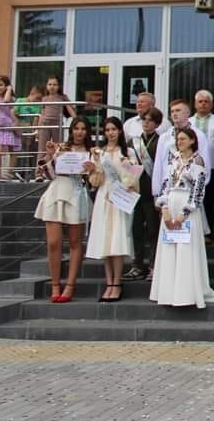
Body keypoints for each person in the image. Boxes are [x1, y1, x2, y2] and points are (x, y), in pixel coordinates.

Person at [150, 127, 214, 309]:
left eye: (184, 139)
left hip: (187, 209)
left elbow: (198, 191)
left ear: (192, 141)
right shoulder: (173, 160)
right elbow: (165, 184)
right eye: (178, 139)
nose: (180, 142)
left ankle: (186, 293)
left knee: (187, 250)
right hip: (170, 205)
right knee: (170, 249)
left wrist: (182, 214)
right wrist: (164, 208)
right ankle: (168, 292)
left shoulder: (198, 161)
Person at [35, 116, 93, 303]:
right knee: (53, 242)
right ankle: (55, 284)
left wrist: (92, 170)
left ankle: (70, 284)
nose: (79, 132)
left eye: (83, 128)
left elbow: (93, 183)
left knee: (75, 242)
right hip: (57, 192)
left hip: (76, 194)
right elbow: (49, 174)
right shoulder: (62, 148)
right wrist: (50, 156)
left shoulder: (92, 152)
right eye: (76, 128)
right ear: (71, 130)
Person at [85, 117, 139, 302]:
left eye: (114, 129)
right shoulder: (99, 152)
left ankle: (117, 283)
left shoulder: (128, 151)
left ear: (120, 131)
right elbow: (95, 182)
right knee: (105, 243)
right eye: (107, 129)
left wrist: (126, 170)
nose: (110, 133)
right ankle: (109, 282)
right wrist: (94, 167)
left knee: (117, 240)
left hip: (121, 198)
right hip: (104, 197)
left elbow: (134, 179)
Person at [126, 108, 163, 281]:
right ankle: (137, 264)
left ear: (157, 123)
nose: (146, 123)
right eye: (144, 120)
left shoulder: (161, 141)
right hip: (136, 190)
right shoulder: (133, 142)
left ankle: (154, 265)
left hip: (152, 191)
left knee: (153, 230)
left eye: (150, 120)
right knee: (136, 230)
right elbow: (126, 165)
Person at [151, 100, 210, 203]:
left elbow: (205, 165)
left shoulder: (199, 136)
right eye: (172, 111)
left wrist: (196, 193)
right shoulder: (164, 137)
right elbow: (158, 166)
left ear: (187, 113)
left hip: (189, 191)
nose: (174, 113)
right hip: (167, 190)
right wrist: (157, 192)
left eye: (178, 110)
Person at [191, 90, 214, 243]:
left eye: (206, 102)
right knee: (193, 199)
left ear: (211, 104)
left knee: (208, 200)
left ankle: (208, 232)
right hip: (190, 167)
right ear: (195, 104)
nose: (203, 104)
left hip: (211, 164)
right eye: (200, 101)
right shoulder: (189, 122)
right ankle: (194, 231)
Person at [36, 76, 76, 176]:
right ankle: (39, 173)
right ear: (46, 86)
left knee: (58, 147)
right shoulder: (44, 98)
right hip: (45, 124)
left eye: (55, 84)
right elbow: (42, 113)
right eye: (50, 84)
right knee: (42, 148)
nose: (52, 87)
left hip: (57, 125)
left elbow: (70, 109)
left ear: (58, 86)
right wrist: (38, 129)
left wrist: (76, 120)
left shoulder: (62, 97)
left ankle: (57, 171)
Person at [15, 85, 42, 175]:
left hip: (29, 129)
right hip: (19, 127)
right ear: (31, 93)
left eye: (40, 99)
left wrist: (32, 132)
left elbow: (36, 119)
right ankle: (18, 170)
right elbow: (15, 113)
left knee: (28, 149)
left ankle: (26, 171)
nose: (38, 101)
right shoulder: (20, 101)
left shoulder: (37, 106)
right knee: (19, 150)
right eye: (37, 98)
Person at [0, 76, 20, 181]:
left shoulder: (9, 97)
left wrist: (9, 89)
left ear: (6, 86)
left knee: (12, 149)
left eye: (1, 85)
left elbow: (6, 101)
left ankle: (9, 173)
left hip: (8, 127)